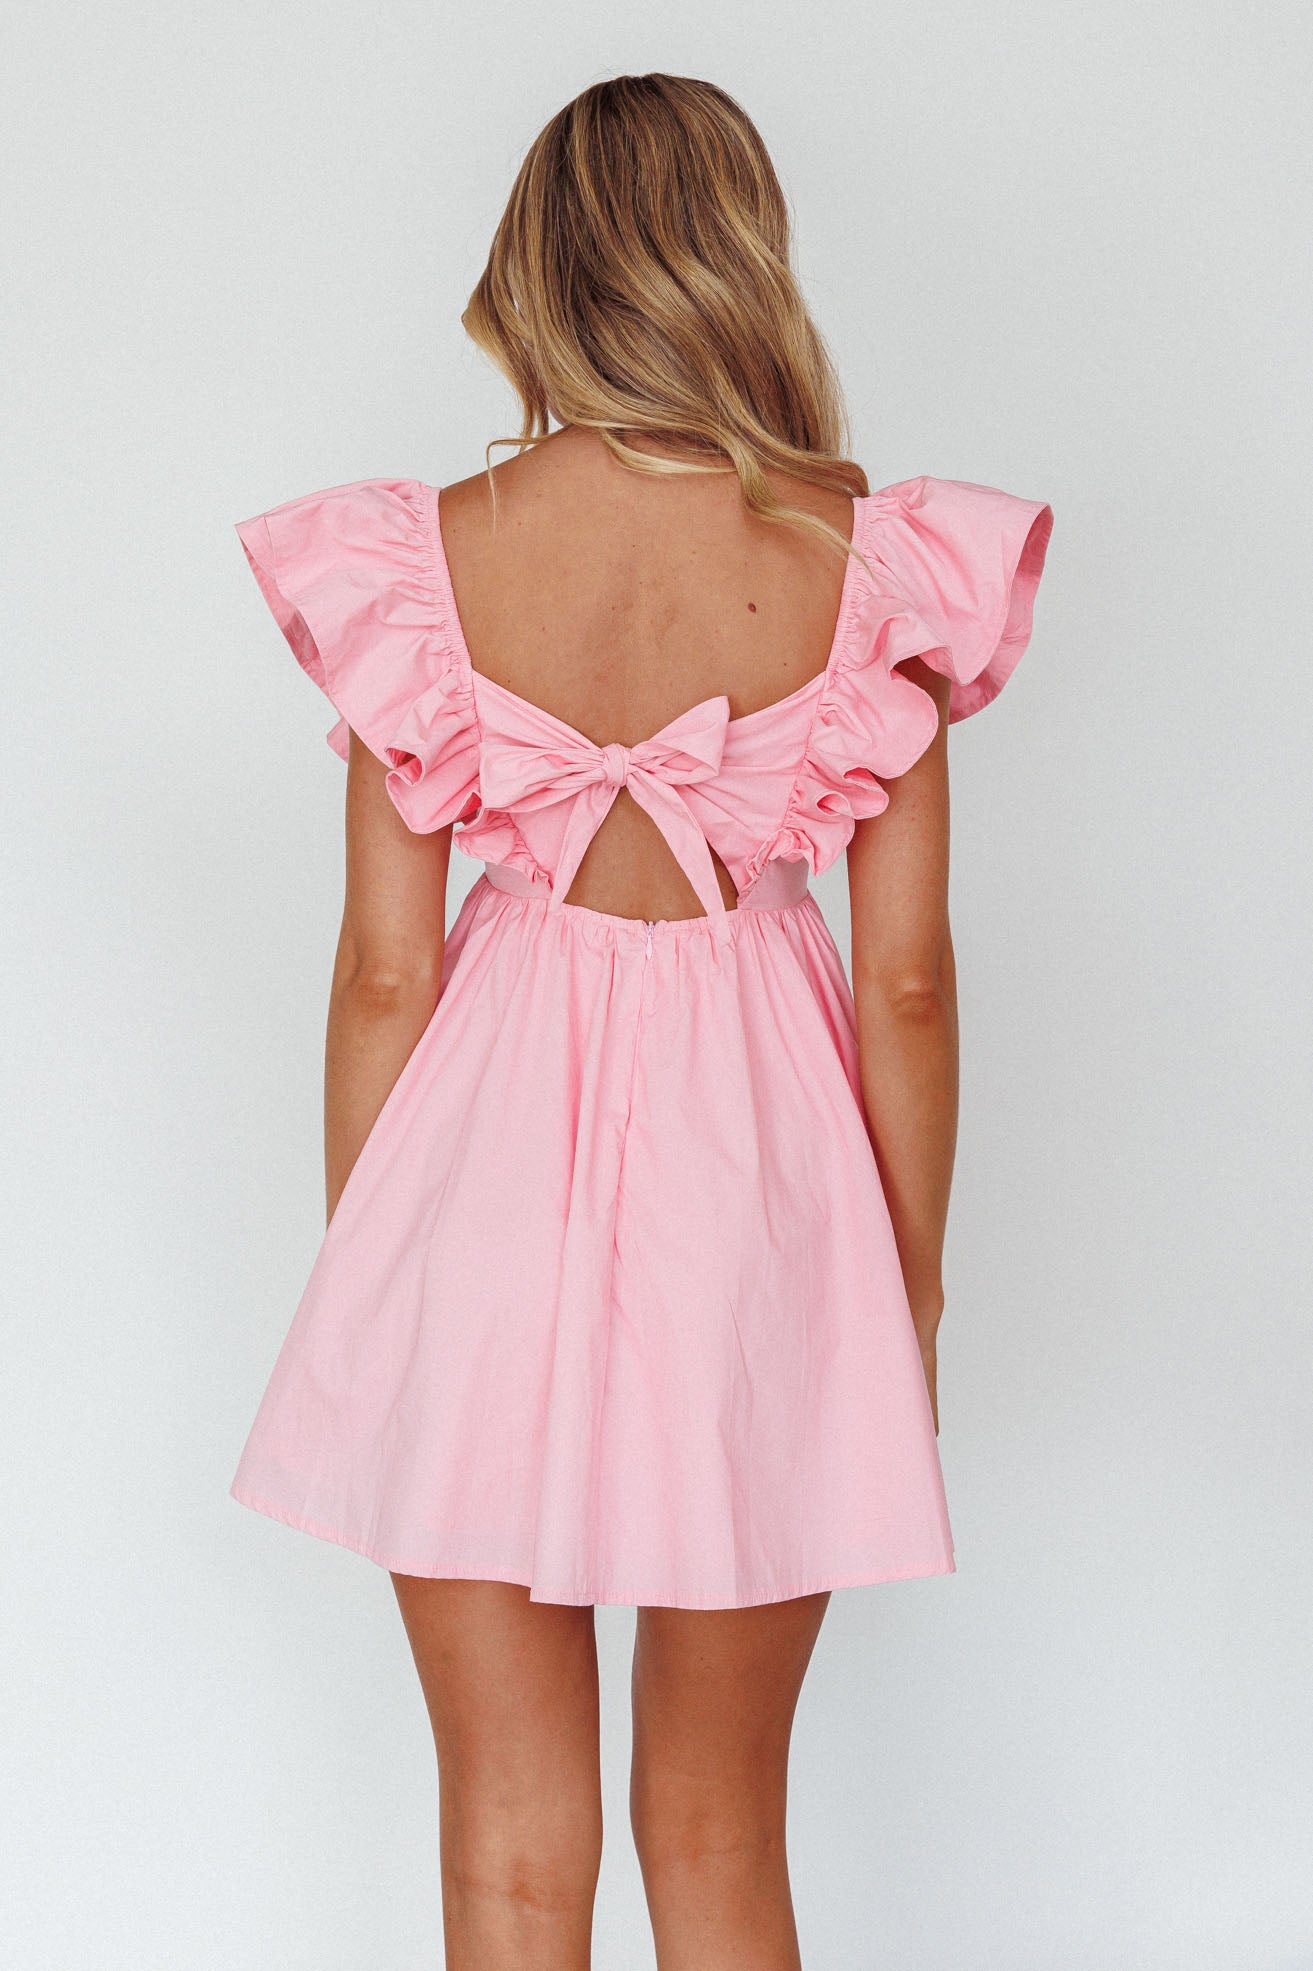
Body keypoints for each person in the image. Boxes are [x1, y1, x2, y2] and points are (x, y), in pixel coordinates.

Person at [230, 70, 1053, 1971]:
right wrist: (907, 1285)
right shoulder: (867, 558)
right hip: (759, 1189)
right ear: (740, 253)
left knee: (506, 1850)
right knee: (718, 1829)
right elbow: (909, 981)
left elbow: (380, 972)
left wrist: (377, 1273)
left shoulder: (425, 557)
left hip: (477, 1187)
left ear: (534, 267)